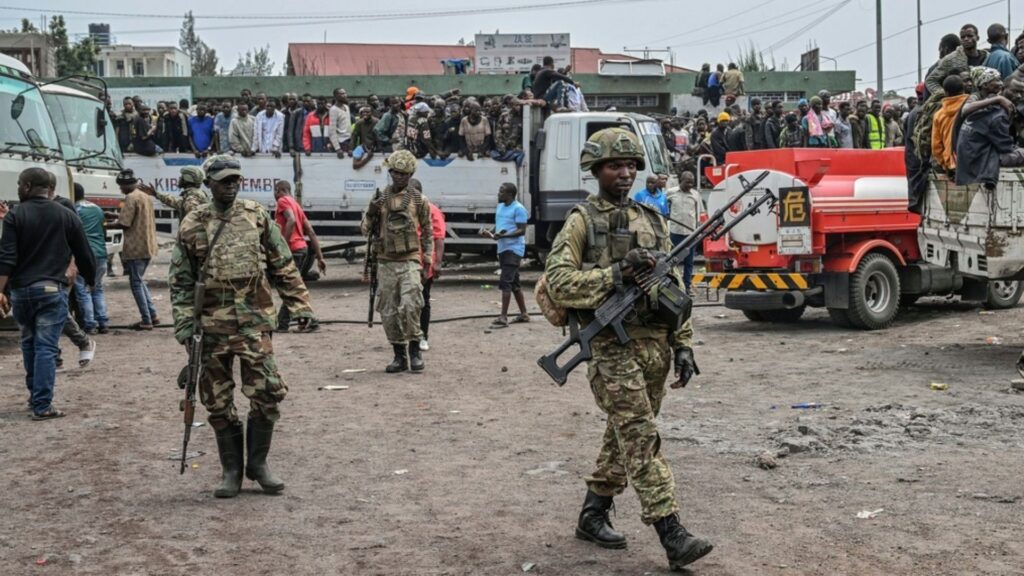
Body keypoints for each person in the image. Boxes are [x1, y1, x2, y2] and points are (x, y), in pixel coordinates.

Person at [544, 128, 710, 570]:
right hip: (609, 347)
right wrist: (615, 274)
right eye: (615, 165)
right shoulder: (581, 219)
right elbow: (558, 282)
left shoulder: (652, 218)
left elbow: (675, 288)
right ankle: (671, 531)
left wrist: (685, 344)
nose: (625, 173)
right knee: (639, 435)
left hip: (654, 346)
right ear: (595, 169)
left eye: (631, 165)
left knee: (624, 435)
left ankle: (593, 513)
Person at [170, 155, 313, 499]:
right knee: (217, 402)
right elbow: (180, 281)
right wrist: (186, 326)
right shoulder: (193, 223)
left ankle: (258, 465)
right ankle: (231, 469)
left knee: (267, 393)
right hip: (212, 327)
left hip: (253, 323)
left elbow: (282, 263)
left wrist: (299, 304)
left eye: (236, 179)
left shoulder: (255, 216)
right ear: (209, 183)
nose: (231, 185)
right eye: (223, 180)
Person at [0, 168, 96, 420]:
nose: (19, 188)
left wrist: (0, 290)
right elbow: (84, 252)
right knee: (46, 346)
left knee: (29, 343)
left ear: (29, 186)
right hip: (52, 290)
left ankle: (35, 398)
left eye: (20, 184)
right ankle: (43, 405)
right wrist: (91, 280)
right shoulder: (66, 215)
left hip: (21, 293)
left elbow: (6, 257)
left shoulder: (15, 216)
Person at [360, 150, 433, 373]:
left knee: (411, 304)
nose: (399, 177)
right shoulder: (379, 199)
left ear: (410, 174)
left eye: (404, 173)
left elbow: (428, 231)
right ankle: (399, 354)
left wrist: (427, 259)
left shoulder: (419, 200)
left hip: (409, 259)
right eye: (395, 172)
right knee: (388, 310)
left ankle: (414, 351)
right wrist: (371, 213)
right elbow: (365, 230)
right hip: (385, 260)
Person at [105, 169, 159, 330]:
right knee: (140, 281)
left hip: (136, 247)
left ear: (126, 185)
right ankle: (153, 315)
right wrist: (115, 215)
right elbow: (135, 217)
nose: (120, 190)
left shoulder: (131, 197)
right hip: (147, 245)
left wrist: (105, 225)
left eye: (121, 186)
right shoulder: (144, 196)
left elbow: (125, 224)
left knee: (136, 283)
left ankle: (146, 320)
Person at [955, 67, 1024, 187]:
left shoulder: (989, 102)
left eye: (1022, 93)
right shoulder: (994, 110)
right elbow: (1005, 147)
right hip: (978, 158)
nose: (1019, 96)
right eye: (1015, 91)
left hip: (971, 153)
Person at [273, 181, 324, 332]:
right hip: (302, 250)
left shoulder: (283, 201)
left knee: (289, 286)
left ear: (280, 190)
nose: (275, 196)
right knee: (292, 286)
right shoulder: (296, 205)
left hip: (293, 250)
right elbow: (311, 232)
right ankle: (284, 323)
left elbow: (291, 220)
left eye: (275, 192)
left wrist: (283, 246)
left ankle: (307, 320)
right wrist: (320, 257)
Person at [481, 183, 529, 327]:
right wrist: (490, 231)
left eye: (501, 192)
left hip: (514, 250)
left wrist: (504, 236)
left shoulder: (519, 209)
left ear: (510, 195)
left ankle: (503, 317)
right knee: (514, 283)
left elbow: (522, 231)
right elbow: (500, 224)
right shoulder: (500, 207)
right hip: (503, 249)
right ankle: (524, 314)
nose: (498, 194)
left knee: (505, 282)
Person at [72, 183, 110, 335]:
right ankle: (103, 322)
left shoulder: (74, 210)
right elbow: (104, 228)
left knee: (83, 290)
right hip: (101, 252)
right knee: (97, 288)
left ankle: (90, 324)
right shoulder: (97, 208)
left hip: (84, 254)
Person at [926, 24, 990, 96]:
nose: (966, 39)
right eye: (963, 37)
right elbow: (931, 80)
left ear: (977, 38)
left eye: (970, 36)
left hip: (986, 101)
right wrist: (945, 95)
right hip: (961, 103)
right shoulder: (951, 59)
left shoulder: (987, 57)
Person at [667, 172, 702, 295]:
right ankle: (672, 286)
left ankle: (687, 287)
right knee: (672, 261)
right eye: (687, 182)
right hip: (675, 232)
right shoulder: (670, 193)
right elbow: (665, 209)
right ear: (680, 181)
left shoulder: (696, 195)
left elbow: (699, 214)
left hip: (690, 233)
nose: (690, 185)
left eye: (692, 182)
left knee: (689, 262)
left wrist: (698, 230)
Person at [419, 198, 445, 352]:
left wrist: (437, 262)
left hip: (424, 263)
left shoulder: (431, 210)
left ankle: (423, 336)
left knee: (423, 300)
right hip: (406, 262)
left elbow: (439, 237)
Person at [144, 165, 209, 224]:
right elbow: (176, 202)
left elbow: (193, 218)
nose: (179, 178)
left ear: (186, 179)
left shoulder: (192, 196)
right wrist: (156, 194)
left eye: (181, 177)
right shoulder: (194, 193)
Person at [329, 88, 352, 158]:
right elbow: (332, 131)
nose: (345, 95)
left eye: (345, 93)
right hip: (341, 142)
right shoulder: (333, 110)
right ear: (336, 96)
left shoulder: (346, 107)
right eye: (342, 94)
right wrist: (337, 148)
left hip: (349, 141)